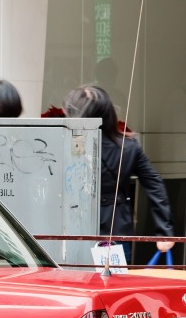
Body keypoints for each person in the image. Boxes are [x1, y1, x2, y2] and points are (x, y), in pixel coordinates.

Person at [63, 84, 174, 263]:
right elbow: (155, 185)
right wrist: (164, 231)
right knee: (114, 286)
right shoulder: (129, 147)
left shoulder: (66, 146)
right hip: (117, 230)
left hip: (74, 229)